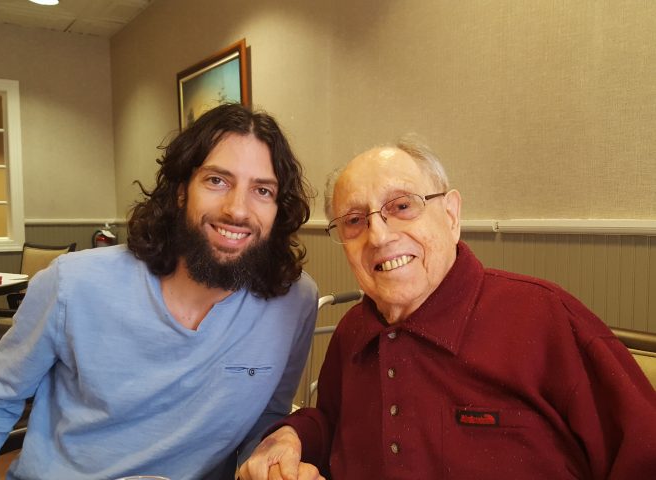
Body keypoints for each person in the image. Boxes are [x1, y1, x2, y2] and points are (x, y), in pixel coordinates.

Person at [239, 137, 656, 480]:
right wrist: (292, 436)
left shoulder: (544, 316)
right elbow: (333, 421)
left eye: (402, 206)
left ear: (451, 214)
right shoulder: (352, 331)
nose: (379, 236)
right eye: (354, 220)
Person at [0, 103, 319, 480]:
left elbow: (268, 415)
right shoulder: (73, 284)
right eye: (217, 181)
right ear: (182, 191)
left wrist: (269, 459)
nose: (238, 210)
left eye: (262, 190)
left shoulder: (294, 301)